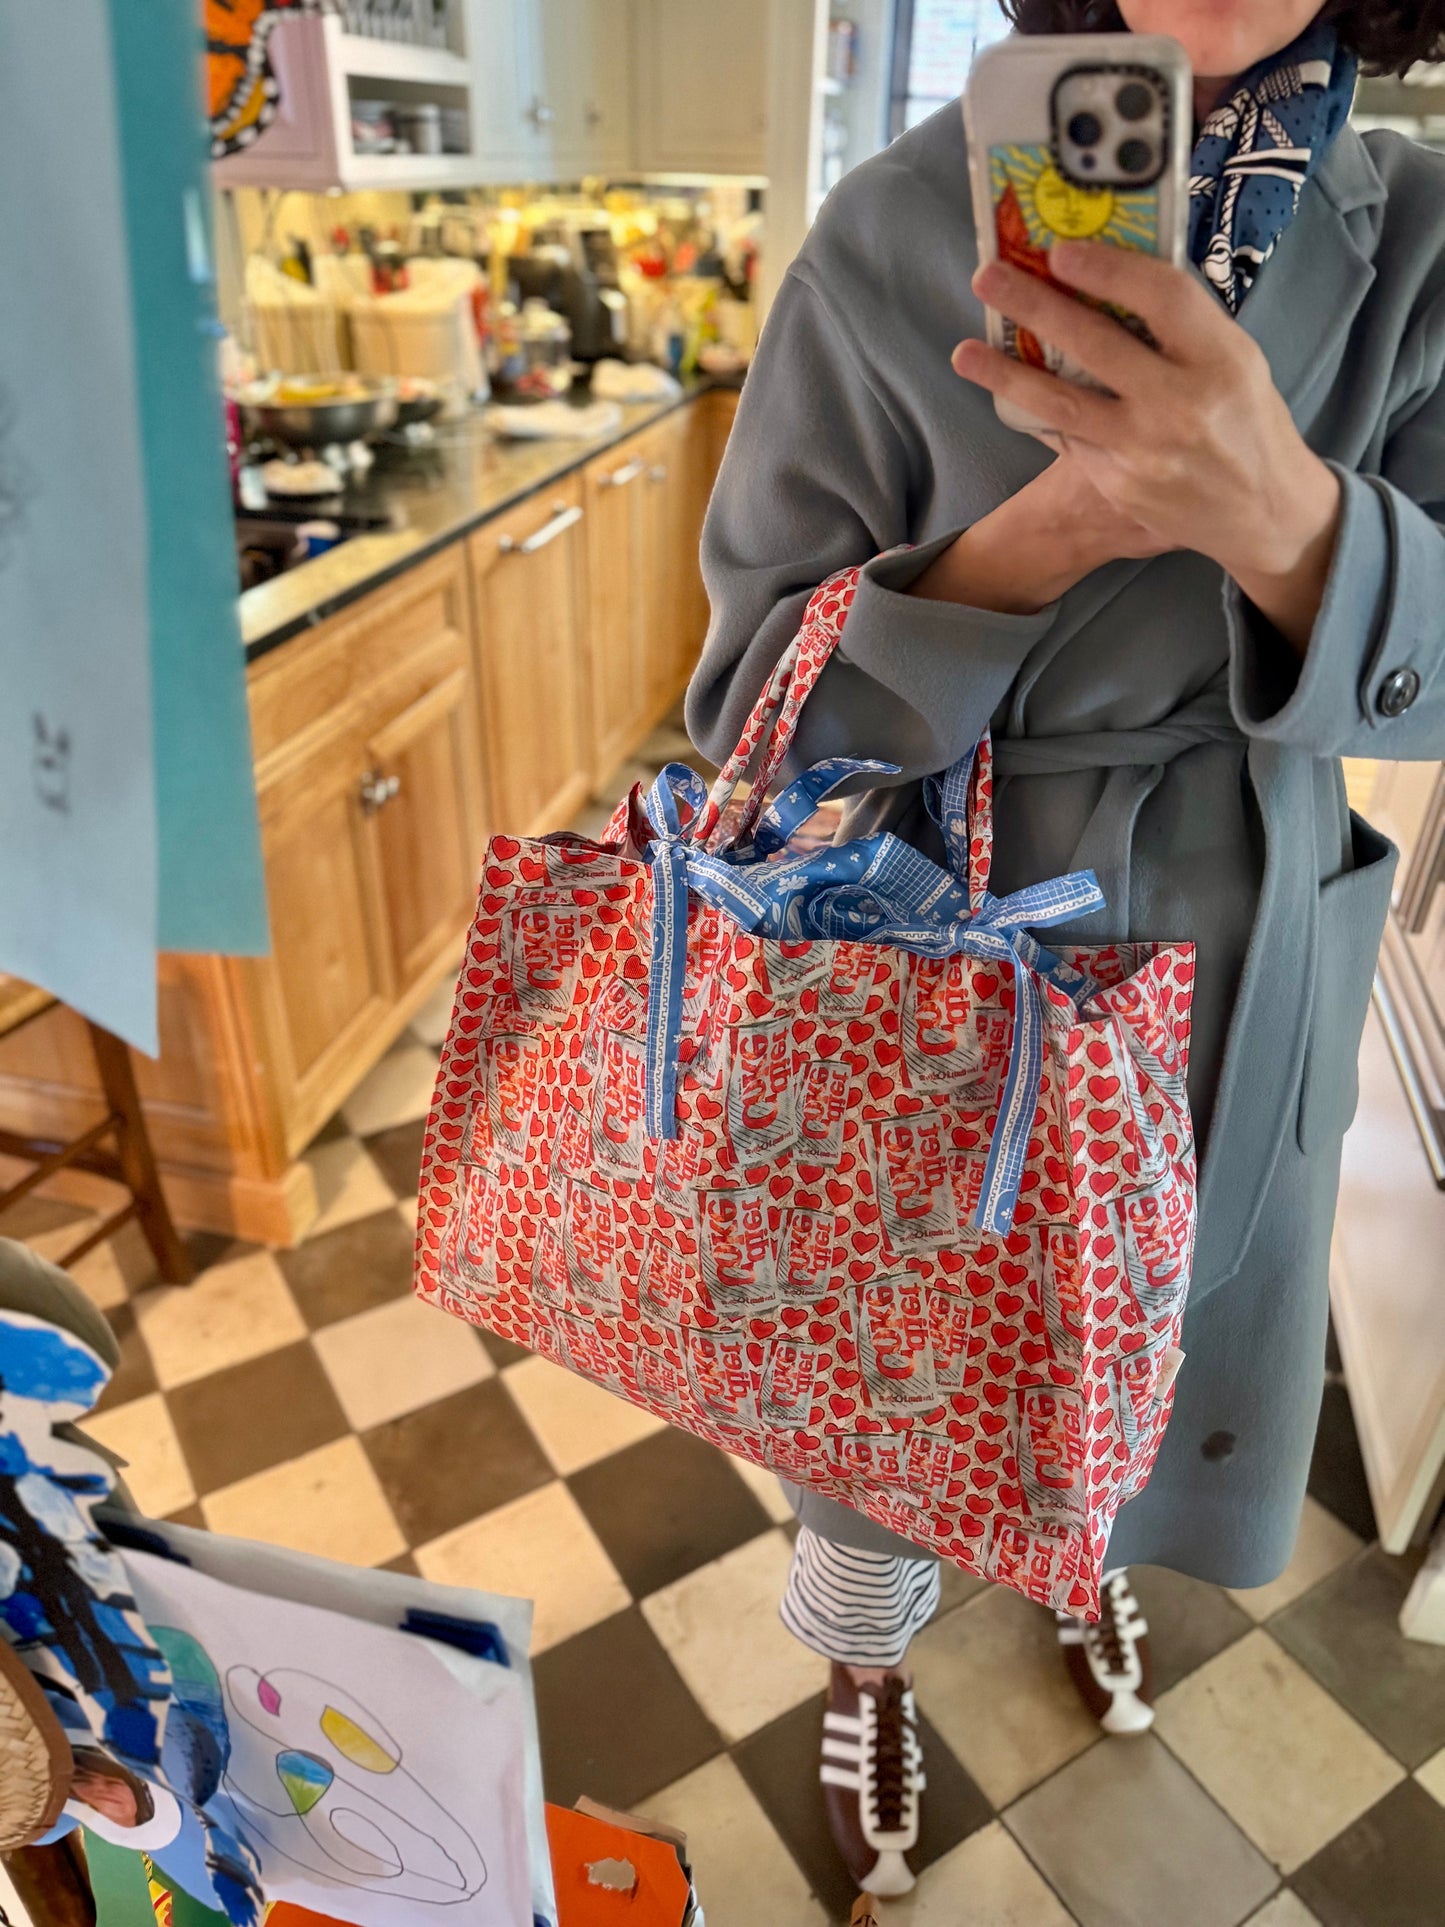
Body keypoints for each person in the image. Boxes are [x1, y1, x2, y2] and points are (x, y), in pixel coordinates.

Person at [685, 0, 1445, 1898]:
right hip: (927, 940)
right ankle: (865, 1649)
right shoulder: (880, 232)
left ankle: (1078, 1558)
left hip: (1239, 928)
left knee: (1141, 1342)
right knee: (887, 1374)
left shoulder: (1424, 243)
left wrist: (1289, 525)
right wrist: (1039, 542)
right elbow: (747, 715)